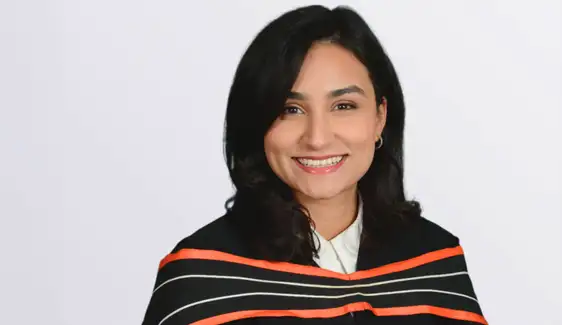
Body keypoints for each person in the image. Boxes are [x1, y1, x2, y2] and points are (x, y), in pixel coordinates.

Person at [141, 5, 486, 325]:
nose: (317, 138)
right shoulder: (203, 280)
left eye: (344, 106)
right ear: (257, 122)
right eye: (290, 109)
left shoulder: (434, 264)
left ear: (380, 117)